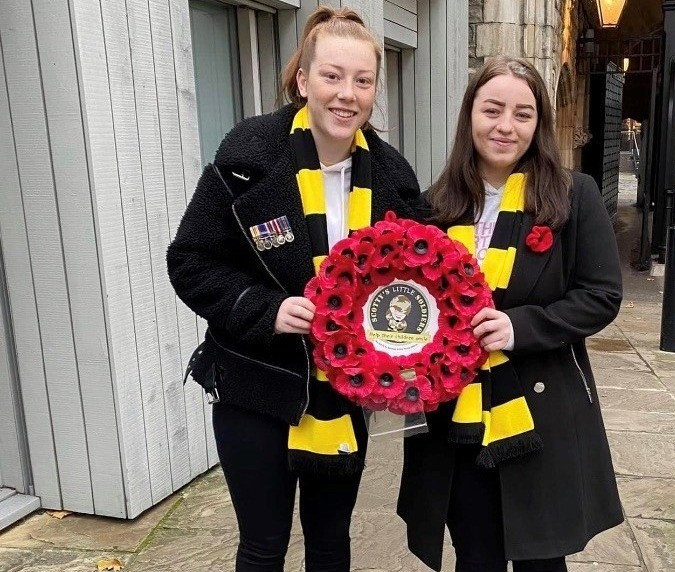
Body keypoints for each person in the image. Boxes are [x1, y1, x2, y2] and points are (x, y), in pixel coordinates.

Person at [167, 7, 420, 571]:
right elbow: (190, 261)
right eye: (331, 76)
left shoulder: (395, 179)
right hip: (256, 385)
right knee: (263, 546)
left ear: (375, 89)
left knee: (331, 544)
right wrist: (266, 309)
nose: (346, 94)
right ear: (303, 79)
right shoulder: (249, 156)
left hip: (344, 393)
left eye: (362, 79)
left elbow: (416, 287)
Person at [397, 56, 624, 572]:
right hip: (454, 417)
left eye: (523, 114)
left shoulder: (574, 195)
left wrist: (518, 327)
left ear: (539, 123)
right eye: (492, 109)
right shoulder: (434, 206)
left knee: (540, 559)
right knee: (475, 555)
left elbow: (601, 294)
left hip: (537, 409)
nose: (505, 126)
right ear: (469, 115)